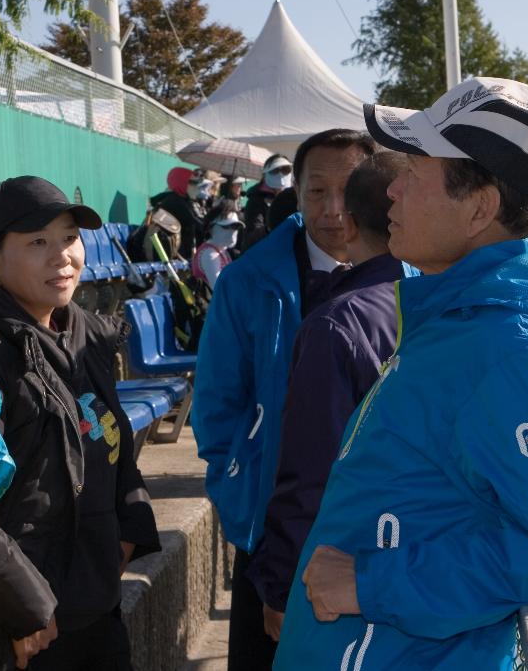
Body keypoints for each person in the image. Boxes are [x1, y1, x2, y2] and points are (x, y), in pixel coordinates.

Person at [277, 78, 528, 669]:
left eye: (412, 172)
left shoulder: (508, 350)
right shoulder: (461, 318)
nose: (392, 193)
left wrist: (371, 583)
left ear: (479, 207)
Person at [191, 128, 374, 670]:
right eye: (317, 192)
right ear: (296, 193)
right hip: (272, 532)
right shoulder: (247, 282)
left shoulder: (408, 275)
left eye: (350, 190)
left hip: (372, 533)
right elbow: (217, 407)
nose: (334, 210)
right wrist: (243, 496)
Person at [0, 176, 161, 671]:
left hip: (95, 603)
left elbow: (114, 442)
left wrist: (126, 533)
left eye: (69, 237)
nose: (62, 256)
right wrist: (22, 607)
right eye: (36, 242)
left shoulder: (86, 333)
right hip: (27, 630)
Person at [245, 152, 409, 642]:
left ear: (352, 224)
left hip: (343, 569)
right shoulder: (447, 300)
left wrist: (279, 584)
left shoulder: (338, 323)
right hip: (421, 566)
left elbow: (312, 470)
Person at [154, 167, 213, 260]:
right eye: (193, 183)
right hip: (171, 255)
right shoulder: (175, 202)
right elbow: (198, 225)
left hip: (179, 253)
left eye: (198, 183)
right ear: (181, 183)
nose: (197, 187)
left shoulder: (184, 200)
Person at [240, 155, 292, 251]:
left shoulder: (293, 197)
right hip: (259, 255)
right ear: (265, 174)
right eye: (275, 170)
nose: (280, 174)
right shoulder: (256, 199)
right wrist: (271, 227)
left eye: (285, 170)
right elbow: (253, 233)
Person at [193, 212, 243, 290]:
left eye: (235, 226)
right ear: (211, 228)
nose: (232, 231)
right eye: (226, 227)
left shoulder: (222, 249)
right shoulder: (209, 254)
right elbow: (219, 289)